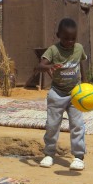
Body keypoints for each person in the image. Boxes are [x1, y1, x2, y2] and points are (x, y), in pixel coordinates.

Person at [37, 18, 87, 171]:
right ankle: (49, 154)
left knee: (77, 125)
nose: (70, 42)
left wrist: (85, 83)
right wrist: (51, 66)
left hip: (75, 94)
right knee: (52, 126)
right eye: (66, 38)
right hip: (57, 93)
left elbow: (81, 64)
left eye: (73, 38)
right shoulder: (53, 50)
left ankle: (78, 157)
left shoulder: (79, 48)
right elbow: (40, 66)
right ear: (58, 35)